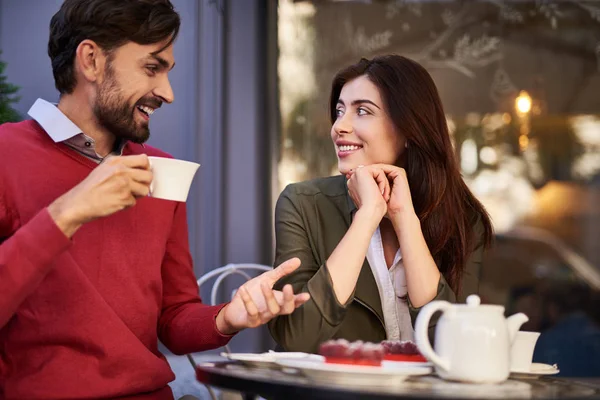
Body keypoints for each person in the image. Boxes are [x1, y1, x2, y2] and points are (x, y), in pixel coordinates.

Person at [0, 1, 309, 399]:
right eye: (152, 67)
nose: (167, 92)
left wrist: (230, 316)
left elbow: (174, 318)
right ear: (91, 60)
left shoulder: (162, 170)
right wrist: (67, 212)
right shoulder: (6, 154)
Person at [268, 55, 493, 353]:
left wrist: (405, 220)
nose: (339, 127)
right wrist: (367, 216)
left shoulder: (463, 218)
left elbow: (456, 349)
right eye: (339, 111)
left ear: (409, 129)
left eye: (362, 111)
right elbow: (297, 337)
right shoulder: (302, 204)